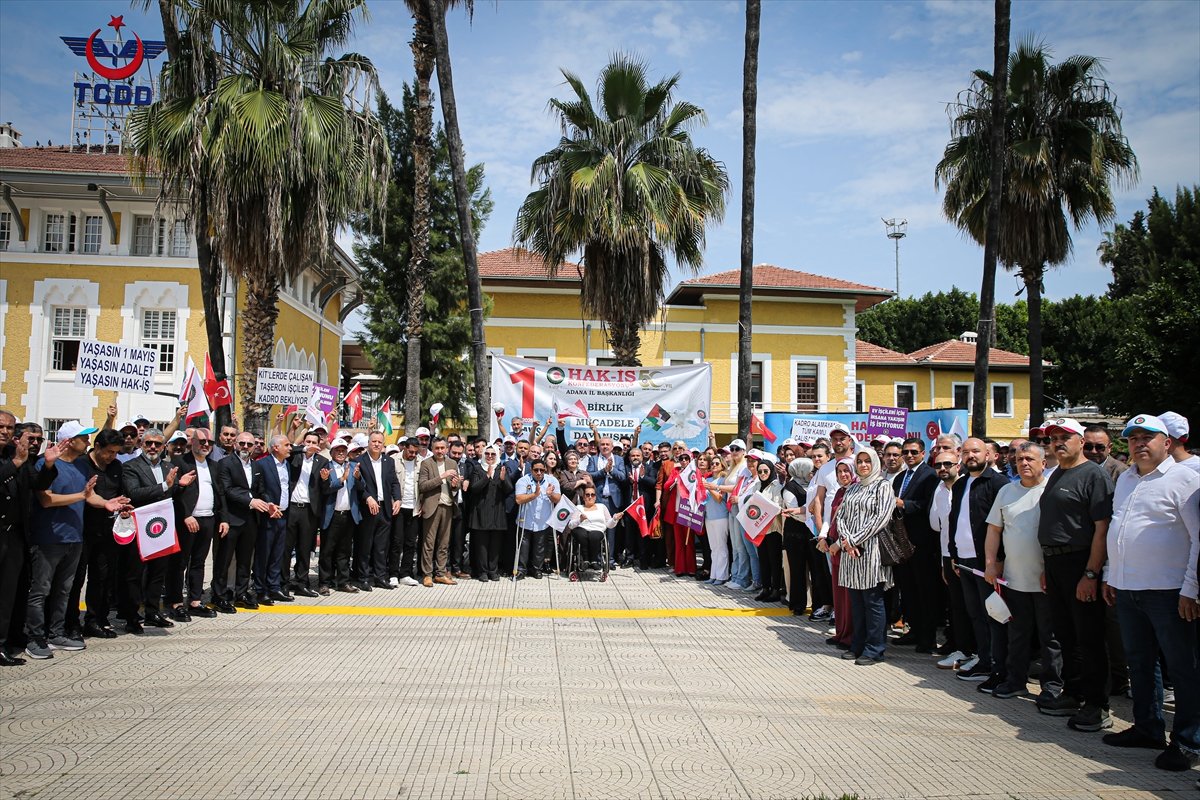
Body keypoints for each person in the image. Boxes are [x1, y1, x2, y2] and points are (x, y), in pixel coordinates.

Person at [1102, 414, 1200, 771]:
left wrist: (1191, 588)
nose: (1140, 443)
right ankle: (1147, 727)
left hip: (1169, 590)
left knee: (1183, 668)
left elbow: (1198, 538)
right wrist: (1111, 574)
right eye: (1133, 438)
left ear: (1167, 442)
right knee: (1140, 662)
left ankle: (1188, 741)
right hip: (1128, 586)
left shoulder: (1186, 479)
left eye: (1148, 437)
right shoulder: (1127, 478)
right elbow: (1119, 527)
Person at [1036, 417, 1115, 731]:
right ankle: (1072, 692)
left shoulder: (1093, 475)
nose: (1057, 443)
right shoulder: (1057, 472)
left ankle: (1097, 705)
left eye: (1064, 437)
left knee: (1089, 637)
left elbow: (1102, 529)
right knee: (1065, 634)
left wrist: (1091, 574)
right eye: (1053, 438)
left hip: (1080, 563)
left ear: (1081, 441)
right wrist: (1047, 568)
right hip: (1054, 563)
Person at [26, 422, 122, 658]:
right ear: (69, 441)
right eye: (84, 438)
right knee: (40, 590)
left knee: (64, 590)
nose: (88, 441)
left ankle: (57, 633)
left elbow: (90, 496)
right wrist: (80, 495)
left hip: (75, 537)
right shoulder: (46, 464)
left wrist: (107, 503)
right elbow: (46, 499)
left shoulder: (80, 465)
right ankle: (34, 637)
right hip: (49, 538)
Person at [983, 441, 1064, 702]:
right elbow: (994, 530)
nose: (1024, 463)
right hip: (1014, 579)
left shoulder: (1052, 491)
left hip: (1044, 580)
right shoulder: (1007, 491)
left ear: (1044, 463)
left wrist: (1050, 570)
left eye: (1029, 459)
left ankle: (1052, 687)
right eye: (1019, 459)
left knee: (1050, 638)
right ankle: (1015, 681)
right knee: (1017, 635)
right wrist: (990, 563)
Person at [947, 438, 1011, 691]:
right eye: (966, 452)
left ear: (989, 454)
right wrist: (954, 553)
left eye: (976, 451)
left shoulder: (998, 483)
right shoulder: (961, 483)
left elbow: (1002, 525)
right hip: (963, 560)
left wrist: (997, 560)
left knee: (994, 615)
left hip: (988, 562)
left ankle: (999, 666)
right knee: (975, 613)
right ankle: (984, 660)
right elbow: (955, 519)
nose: (971, 456)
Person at [1, 415, 60, 665]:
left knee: (11, 591)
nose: (5, 431)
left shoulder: (18, 455)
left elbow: (36, 483)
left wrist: (48, 465)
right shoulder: (16, 458)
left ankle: (10, 638)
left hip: (15, 534)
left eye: (9, 427)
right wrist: (16, 462)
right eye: (1, 427)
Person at [121, 428, 192, 629]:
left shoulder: (168, 466)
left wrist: (180, 485)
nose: (153, 447)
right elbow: (134, 492)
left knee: (158, 572)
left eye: (157, 444)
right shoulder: (131, 466)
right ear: (141, 444)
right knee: (135, 573)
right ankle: (132, 616)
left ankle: (152, 612)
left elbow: (170, 492)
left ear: (163, 447)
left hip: (162, 527)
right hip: (140, 526)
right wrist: (165, 485)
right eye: (148, 443)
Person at [831, 448, 896, 665]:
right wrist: (847, 541)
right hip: (851, 554)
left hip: (871, 552)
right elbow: (841, 517)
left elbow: (881, 518)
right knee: (856, 603)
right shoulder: (853, 488)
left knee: (872, 601)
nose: (863, 465)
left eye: (868, 461)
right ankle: (857, 644)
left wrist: (854, 540)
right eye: (860, 461)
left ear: (875, 462)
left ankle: (875, 648)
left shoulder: (883, 486)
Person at [65, 429, 131, 640]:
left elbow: (120, 493)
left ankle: (95, 620)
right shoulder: (81, 464)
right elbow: (87, 496)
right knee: (76, 579)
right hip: (82, 530)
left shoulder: (116, 466)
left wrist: (123, 506)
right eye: (109, 451)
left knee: (101, 577)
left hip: (107, 530)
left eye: (116, 452)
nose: (112, 456)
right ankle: (71, 623)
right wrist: (106, 504)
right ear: (98, 446)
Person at [892, 437, 941, 653]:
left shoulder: (930, 476)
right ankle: (913, 629)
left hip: (922, 542)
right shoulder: (899, 477)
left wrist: (905, 504)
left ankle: (927, 637)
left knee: (925, 591)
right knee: (908, 589)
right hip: (902, 542)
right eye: (906, 452)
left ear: (923, 453)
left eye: (914, 452)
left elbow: (929, 505)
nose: (909, 455)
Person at [167, 428, 219, 621]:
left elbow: (219, 493)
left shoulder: (213, 465)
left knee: (199, 562)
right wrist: (186, 515)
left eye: (210, 442)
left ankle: (195, 601)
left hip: (208, 519)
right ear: (193, 442)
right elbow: (173, 493)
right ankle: (175, 603)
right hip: (187, 520)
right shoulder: (180, 462)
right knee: (179, 563)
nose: (206, 445)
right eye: (202, 441)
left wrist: (222, 519)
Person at [215, 431, 262, 611]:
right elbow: (227, 490)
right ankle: (219, 595)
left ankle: (241, 592)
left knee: (245, 559)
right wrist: (250, 501)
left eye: (249, 444)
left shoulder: (256, 466)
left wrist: (268, 504)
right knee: (224, 559)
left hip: (250, 519)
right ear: (235, 444)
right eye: (242, 443)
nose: (245, 447)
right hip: (231, 518)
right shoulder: (225, 463)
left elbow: (260, 490)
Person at [355, 431, 402, 591]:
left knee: (381, 546)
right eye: (373, 441)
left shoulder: (388, 461)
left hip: (385, 509)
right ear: (368, 443)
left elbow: (394, 482)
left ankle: (380, 577)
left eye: (379, 442)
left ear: (383, 444)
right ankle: (363, 578)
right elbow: (356, 484)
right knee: (365, 545)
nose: (376, 444)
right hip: (368, 508)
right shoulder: (359, 461)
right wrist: (367, 497)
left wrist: (397, 499)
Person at [818, 459, 857, 649]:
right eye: (839, 471)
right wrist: (823, 536)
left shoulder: (857, 492)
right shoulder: (839, 492)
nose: (843, 475)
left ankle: (850, 636)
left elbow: (854, 524)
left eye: (846, 471)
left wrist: (840, 544)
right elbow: (830, 518)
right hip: (834, 549)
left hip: (848, 550)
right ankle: (841, 632)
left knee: (849, 597)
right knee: (838, 593)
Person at [283, 431, 327, 597]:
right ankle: (283, 583)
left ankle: (302, 583)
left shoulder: (322, 461)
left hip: (309, 510)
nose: (310, 445)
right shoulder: (294, 457)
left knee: (304, 549)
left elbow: (325, 489)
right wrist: (303, 449)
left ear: (319, 444)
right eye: (308, 441)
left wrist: (325, 480)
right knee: (286, 548)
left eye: (314, 442)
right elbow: (289, 448)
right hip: (292, 508)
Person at [318, 439, 361, 594]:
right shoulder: (326, 467)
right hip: (332, 515)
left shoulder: (353, 466)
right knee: (327, 551)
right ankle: (324, 582)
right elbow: (325, 489)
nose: (341, 453)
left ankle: (343, 582)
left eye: (343, 450)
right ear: (332, 452)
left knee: (344, 551)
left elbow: (361, 488)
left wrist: (358, 478)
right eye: (337, 450)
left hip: (348, 515)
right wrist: (342, 479)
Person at [417, 437, 461, 587]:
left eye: (442, 448)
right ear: (432, 449)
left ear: (447, 449)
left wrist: (455, 485)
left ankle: (441, 573)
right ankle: (427, 574)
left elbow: (456, 486)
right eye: (437, 448)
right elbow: (423, 486)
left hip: (448, 506)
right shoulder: (426, 463)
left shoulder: (452, 463)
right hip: (432, 507)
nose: (440, 451)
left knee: (444, 543)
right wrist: (441, 477)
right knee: (429, 543)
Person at [780, 458, 821, 615]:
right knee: (797, 570)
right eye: (809, 470)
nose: (812, 473)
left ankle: (818, 605)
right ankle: (798, 604)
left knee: (816, 570)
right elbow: (794, 511)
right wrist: (813, 517)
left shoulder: (813, 485)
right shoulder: (789, 487)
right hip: (795, 534)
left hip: (811, 532)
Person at [467, 446, 510, 581]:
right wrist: (486, 476)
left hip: (497, 513)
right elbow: (474, 488)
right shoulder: (477, 469)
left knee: (495, 545)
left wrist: (503, 479)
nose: (490, 456)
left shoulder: (501, 468)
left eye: (493, 454)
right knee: (482, 545)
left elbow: (509, 489)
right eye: (487, 453)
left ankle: (493, 570)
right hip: (481, 513)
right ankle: (482, 572)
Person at [514, 459, 560, 579]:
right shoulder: (523, 480)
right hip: (526, 520)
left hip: (542, 521)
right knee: (523, 547)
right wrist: (534, 495)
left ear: (545, 470)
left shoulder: (552, 481)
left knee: (540, 547)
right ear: (531, 470)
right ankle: (521, 570)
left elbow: (558, 499)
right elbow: (519, 499)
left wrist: (550, 494)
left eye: (542, 470)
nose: (539, 472)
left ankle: (536, 569)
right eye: (536, 470)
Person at [752, 457, 786, 602]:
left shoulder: (777, 485)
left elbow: (779, 507)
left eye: (765, 471)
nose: (763, 474)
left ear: (771, 471)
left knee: (774, 560)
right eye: (760, 471)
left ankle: (776, 589)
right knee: (763, 559)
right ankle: (765, 588)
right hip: (759, 529)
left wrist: (765, 505)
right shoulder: (756, 485)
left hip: (773, 529)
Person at [390, 437, 423, 587]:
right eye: (410, 452)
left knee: (410, 543)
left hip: (414, 508)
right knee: (396, 542)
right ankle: (393, 574)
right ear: (404, 448)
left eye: (416, 452)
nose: (413, 455)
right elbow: (389, 483)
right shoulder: (393, 460)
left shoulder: (421, 462)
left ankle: (405, 573)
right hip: (398, 507)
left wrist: (422, 503)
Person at [570, 486, 624, 570]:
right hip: (581, 529)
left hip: (597, 529)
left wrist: (614, 519)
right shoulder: (578, 508)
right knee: (582, 535)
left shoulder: (602, 507)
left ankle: (594, 561)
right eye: (587, 495)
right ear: (583, 497)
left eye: (592, 495)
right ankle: (585, 560)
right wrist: (580, 520)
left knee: (594, 536)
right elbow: (570, 525)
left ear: (595, 497)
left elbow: (609, 524)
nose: (590, 497)